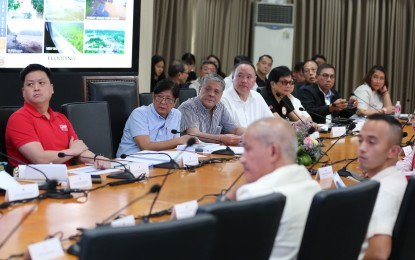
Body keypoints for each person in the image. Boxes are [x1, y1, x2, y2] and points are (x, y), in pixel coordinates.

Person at [225, 117, 321, 259]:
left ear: (273, 152)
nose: (242, 159)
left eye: (248, 149)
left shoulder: (254, 196)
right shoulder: (313, 186)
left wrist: (227, 199)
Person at [5, 64, 110, 169]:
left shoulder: (61, 118)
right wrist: (73, 151)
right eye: (30, 84)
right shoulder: (19, 119)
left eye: (41, 83)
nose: (36, 88)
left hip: (69, 177)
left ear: (51, 89)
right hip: (35, 182)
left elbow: (80, 151)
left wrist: (96, 158)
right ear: (23, 92)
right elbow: (39, 159)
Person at [358, 114, 407, 260]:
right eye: (360, 140)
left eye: (371, 142)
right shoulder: (397, 178)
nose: (361, 148)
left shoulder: (383, 191)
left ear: (393, 151)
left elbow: (379, 253)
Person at [116, 79, 194, 157]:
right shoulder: (139, 113)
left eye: (168, 98)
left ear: (175, 102)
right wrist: (178, 141)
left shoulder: (177, 114)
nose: (163, 102)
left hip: (158, 159)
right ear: (153, 96)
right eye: (159, 97)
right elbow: (145, 146)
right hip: (130, 161)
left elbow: (174, 147)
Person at [178, 73, 244, 146]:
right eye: (208, 89)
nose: (212, 94)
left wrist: (253, 134)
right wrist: (221, 138)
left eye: (216, 92)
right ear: (200, 89)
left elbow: (235, 130)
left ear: (221, 95)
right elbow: (194, 134)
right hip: (188, 153)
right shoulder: (188, 107)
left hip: (211, 152)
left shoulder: (220, 107)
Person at [221, 61, 275, 128]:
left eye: (249, 77)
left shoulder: (257, 97)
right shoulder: (223, 99)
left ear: (255, 80)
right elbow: (231, 129)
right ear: (232, 77)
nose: (244, 81)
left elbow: (271, 122)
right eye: (240, 76)